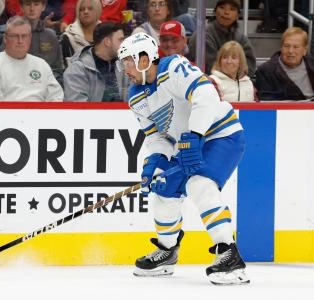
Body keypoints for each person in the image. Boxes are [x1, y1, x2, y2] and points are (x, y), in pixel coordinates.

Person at [117, 32, 249, 285]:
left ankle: (228, 252)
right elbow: (155, 135)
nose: (125, 69)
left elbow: (206, 96)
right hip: (186, 144)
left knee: (200, 184)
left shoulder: (174, 66)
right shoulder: (136, 96)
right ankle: (167, 251)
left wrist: (195, 134)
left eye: (128, 62)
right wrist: (155, 160)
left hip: (220, 134)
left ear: (144, 59)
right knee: (164, 188)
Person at [0, 16, 63, 101]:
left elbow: (56, 96)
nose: (20, 41)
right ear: (5, 38)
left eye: (24, 36)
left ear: (30, 38)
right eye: (15, 36)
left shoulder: (41, 64)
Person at [187, 0, 256, 78]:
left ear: (237, 16)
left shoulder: (241, 39)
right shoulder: (202, 36)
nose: (226, 12)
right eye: (222, 7)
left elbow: (250, 67)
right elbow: (210, 68)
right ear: (215, 11)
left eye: (232, 9)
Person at [63, 22, 128, 102]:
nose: (124, 45)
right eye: (120, 40)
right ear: (107, 42)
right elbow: (78, 110)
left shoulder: (124, 65)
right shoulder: (77, 71)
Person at [255, 27, 314, 101]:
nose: (290, 51)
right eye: (286, 46)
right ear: (281, 48)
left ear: (305, 50)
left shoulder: (312, 65)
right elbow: (266, 101)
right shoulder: (265, 71)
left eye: (296, 47)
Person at [19, 0, 64, 84]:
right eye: (28, 4)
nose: (32, 8)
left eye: (36, 4)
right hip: (20, 85)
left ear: (43, 6)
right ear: (21, 7)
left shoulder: (51, 35)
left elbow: (58, 69)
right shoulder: (13, 34)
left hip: (47, 87)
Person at [60, 0, 102, 67]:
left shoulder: (106, 34)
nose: (85, 12)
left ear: (98, 10)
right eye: (81, 9)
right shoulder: (68, 37)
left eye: (90, 9)